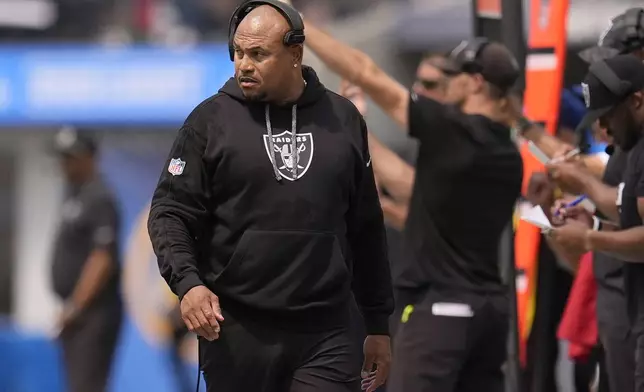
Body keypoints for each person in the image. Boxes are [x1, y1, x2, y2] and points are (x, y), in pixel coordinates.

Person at [147, 2, 394, 392]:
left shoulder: (344, 119)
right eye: (239, 53)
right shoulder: (209, 121)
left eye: (258, 54)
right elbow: (169, 213)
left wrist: (378, 324)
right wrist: (189, 284)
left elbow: (365, 227)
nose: (244, 64)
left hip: (327, 329)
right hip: (237, 329)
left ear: (295, 53)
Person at [295, 7, 525, 391]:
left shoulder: (454, 131)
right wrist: (357, 124)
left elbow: (365, 71)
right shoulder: (507, 152)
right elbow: (410, 185)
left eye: (455, 75)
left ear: (476, 83)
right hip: (489, 312)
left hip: (442, 311)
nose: (448, 84)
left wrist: (297, 23)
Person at [545, 10, 644, 391]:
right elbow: (629, 215)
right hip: (626, 306)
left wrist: (590, 237)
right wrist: (591, 221)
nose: (603, 130)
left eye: (609, 116)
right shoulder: (630, 145)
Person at [50, 127, 123, 392]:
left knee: (86, 386)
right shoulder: (73, 193)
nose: (64, 163)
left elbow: (102, 258)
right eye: (62, 157)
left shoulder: (100, 196)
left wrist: (76, 306)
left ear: (88, 157)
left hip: (93, 312)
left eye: (70, 156)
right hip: (77, 311)